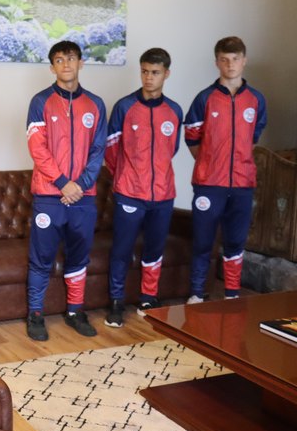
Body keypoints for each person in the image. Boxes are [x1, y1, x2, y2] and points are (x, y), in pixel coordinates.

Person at [25, 40, 107, 341]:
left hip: (83, 198)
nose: (66, 65)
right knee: (41, 257)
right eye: (59, 60)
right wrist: (63, 183)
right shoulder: (40, 101)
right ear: (52, 67)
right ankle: (35, 314)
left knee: (78, 256)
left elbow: (99, 151)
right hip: (49, 196)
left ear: (81, 63)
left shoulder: (96, 104)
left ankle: (75, 311)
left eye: (71, 59)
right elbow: (37, 147)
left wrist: (80, 186)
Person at [103, 48, 183, 327]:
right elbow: (111, 149)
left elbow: (170, 150)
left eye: (155, 72)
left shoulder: (174, 110)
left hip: (162, 194)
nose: (149, 78)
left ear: (166, 74)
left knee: (154, 248)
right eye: (145, 71)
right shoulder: (125, 107)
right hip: (129, 192)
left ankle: (149, 297)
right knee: (122, 249)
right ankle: (115, 302)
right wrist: (126, 176)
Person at [184, 36, 266, 303]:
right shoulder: (204, 98)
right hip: (209, 184)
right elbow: (192, 139)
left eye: (235, 59)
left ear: (244, 60)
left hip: (242, 185)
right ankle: (197, 293)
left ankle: (232, 294)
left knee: (235, 242)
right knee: (203, 242)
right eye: (224, 59)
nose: (230, 64)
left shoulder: (256, 100)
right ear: (217, 62)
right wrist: (211, 162)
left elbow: (253, 138)